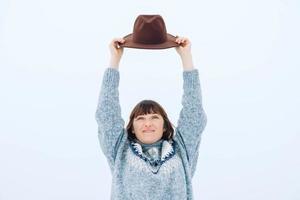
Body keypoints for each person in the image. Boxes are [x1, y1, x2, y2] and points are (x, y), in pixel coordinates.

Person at [95, 36, 207, 200]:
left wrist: (186, 58)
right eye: (140, 118)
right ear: (132, 126)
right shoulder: (120, 150)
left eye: (154, 117)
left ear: (164, 125)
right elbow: (106, 114)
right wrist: (115, 60)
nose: (147, 123)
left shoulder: (182, 150)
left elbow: (194, 113)